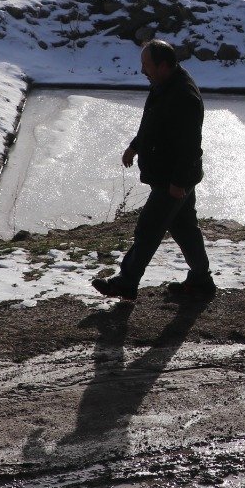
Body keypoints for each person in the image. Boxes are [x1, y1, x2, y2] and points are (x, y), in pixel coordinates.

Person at [93, 40, 214, 302]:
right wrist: (135, 146)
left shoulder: (184, 95)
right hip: (172, 177)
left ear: (163, 65)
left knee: (148, 229)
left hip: (172, 179)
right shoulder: (164, 84)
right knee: (185, 229)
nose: (142, 70)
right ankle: (201, 280)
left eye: (146, 65)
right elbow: (154, 123)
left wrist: (178, 181)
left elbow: (190, 145)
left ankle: (126, 282)